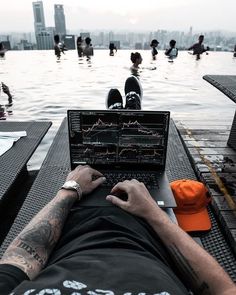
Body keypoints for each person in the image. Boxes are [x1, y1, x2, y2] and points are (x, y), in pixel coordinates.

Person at [0, 165, 235, 294]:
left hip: (75, 228)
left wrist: (69, 191)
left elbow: (20, 259)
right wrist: (152, 212)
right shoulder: (150, 216)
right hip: (146, 230)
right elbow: (223, 289)